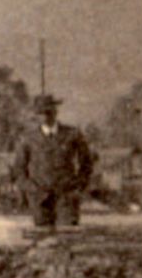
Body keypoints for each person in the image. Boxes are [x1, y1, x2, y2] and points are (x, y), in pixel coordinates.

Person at [13, 94, 95, 231]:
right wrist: (31, 189)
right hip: (40, 199)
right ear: (36, 115)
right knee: (43, 241)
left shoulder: (72, 134)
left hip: (66, 197)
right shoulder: (27, 139)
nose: (45, 116)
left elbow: (86, 163)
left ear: (55, 112)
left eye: (48, 112)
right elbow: (19, 170)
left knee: (67, 237)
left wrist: (78, 186)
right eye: (41, 113)